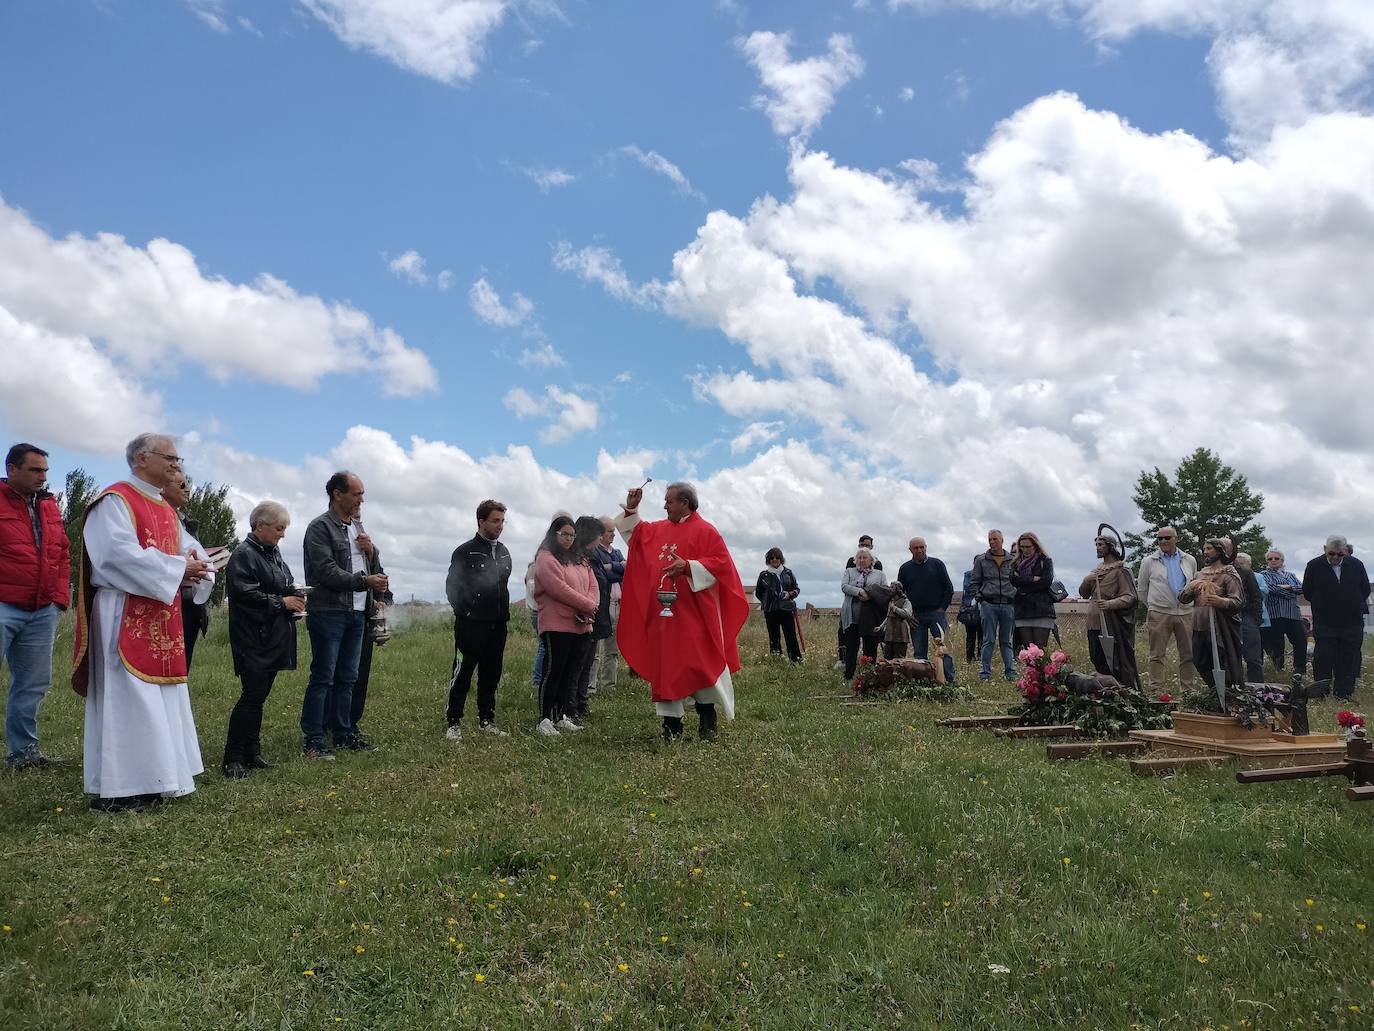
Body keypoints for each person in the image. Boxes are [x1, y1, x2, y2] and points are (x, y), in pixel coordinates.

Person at [71, 433, 214, 812]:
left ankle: (158, 779)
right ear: (140, 459)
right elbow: (115, 557)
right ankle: (120, 789)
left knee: (161, 699)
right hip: (123, 611)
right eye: (169, 458)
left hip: (161, 612)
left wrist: (192, 569)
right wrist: (178, 568)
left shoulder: (165, 508)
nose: (176, 465)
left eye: (177, 459)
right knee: (127, 699)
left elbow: (181, 552)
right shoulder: (115, 501)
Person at [615, 481, 748, 742]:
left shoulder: (706, 531)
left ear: (685, 503)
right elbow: (639, 537)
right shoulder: (660, 529)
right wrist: (632, 509)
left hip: (694, 616)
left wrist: (688, 567)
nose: (665, 505)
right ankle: (671, 725)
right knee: (667, 666)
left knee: (700, 664)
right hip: (664, 619)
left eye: (669, 501)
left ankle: (707, 717)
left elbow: (721, 565)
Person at [301, 471, 389, 760]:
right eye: (356, 493)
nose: (361, 499)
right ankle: (314, 740)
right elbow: (324, 571)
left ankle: (343, 732)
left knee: (349, 677)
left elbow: (371, 566)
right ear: (338, 494)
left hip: (357, 612)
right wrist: (365, 581)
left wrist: (372, 552)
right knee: (324, 676)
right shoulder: (320, 528)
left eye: (362, 494)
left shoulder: (358, 527)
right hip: (329, 612)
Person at [221, 501, 303, 778]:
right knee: (252, 696)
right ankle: (232, 758)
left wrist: (297, 593)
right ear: (260, 526)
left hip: (273, 636)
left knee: (259, 696)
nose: (282, 534)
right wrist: (282, 602)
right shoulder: (243, 554)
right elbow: (244, 595)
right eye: (279, 528)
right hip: (252, 638)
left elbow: (285, 580)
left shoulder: (273, 553)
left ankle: (252, 752)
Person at [1, 443, 70, 769]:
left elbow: (63, 553)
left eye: (44, 470)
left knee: (31, 685)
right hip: (4, 605)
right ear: (12, 469)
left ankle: (23, 755)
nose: (42, 476)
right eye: (35, 470)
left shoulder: (49, 506)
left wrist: (58, 599)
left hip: (41, 610)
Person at [445, 500, 514, 740]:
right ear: (481, 521)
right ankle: (453, 722)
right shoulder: (465, 551)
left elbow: (503, 586)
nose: (500, 526)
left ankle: (487, 720)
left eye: (503, 521)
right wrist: (466, 612)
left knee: (491, 674)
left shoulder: (505, 551)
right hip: (470, 626)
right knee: (463, 672)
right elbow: (452, 588)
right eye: (495, 521)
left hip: (498, 625)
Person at [532, 515, 599, 735]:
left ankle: (561, 715)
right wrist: (588, 605)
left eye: (572, 535)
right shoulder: (546, 557)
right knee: (554, 671)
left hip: (581, 623)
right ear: (554, 534)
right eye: (564, 534)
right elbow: (558, 588)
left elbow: (593, 584)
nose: (569, 539)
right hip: (557, 624)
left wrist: (590, 605)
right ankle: (544, 718)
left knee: (571, 672)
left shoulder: (579, 558)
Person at [1302, 535, 1370, 701]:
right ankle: (1320, 693)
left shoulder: (1356, 564)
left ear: (1345, 551)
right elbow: (1308, 591)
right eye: (1331, 553)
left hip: (1352, 621)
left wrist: (1352, 603)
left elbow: (1365, 588)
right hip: (1325, 621)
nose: (1335, 558)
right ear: (1325, 549)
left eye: (1340, 555)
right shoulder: (1314, 565)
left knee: (1349, 656)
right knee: (1323, 656)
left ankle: (1343, 694)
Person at [1179, 538, 1245, 693]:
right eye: (1204, 549)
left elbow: (1238, 601)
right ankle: (1214, 689)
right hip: (1198, 624)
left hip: (1219, 627)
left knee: (1221, 661)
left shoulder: (1228, 574)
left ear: (1219, 551)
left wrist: (1220, 601)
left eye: (1209, 548)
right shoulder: (1199, 574)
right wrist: (1190, 588)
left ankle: (1227, 693)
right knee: (1199, 660)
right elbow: (1183, 599)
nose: (1205, 552)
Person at [1078, 524, 1140, 689]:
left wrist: (1110, 604)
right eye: (1096, 545)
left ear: (1110, 547)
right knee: (1097, 657)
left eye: (1101, 544)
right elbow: (1084, 594)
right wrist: (1086, 581)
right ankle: (1103, 688)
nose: (1098, 548)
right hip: (1093, 620)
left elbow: (1131, 597)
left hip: (1112, 623)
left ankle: (1120, 688)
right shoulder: (1096, 571)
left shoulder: (1121, 571)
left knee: (1114, 659)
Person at [1136, 525, 1198, 689]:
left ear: (1176, 539)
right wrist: (1153, 606)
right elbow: (1142, 589)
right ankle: (1156, 690)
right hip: (1159, 612)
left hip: (1186, 612)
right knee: (1157, 654)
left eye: (1167, 538)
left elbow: (1193, 586)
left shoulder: (1189, 560)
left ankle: (1188, 690)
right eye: (1160, 538)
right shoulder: (1148, 561)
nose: (1163, 541)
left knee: (1188, 654)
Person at [162, 475, 211, 671]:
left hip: (191, 604)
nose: (188, 489)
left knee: (182, 668)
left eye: (189, 484)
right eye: (182, 484)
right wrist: (183, 566)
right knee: (166, 667)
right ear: (162, 486)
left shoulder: (186, 522)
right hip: (167, 601)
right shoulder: (155, 518)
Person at [897, 537, 956, 682]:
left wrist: (942, 609)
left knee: (943, 649)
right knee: (919, 652)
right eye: (916, 548)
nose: (919, 550)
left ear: (926, 547)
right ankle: (922, 681)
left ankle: (949, 679)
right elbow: (900, 594)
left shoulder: (937, 564)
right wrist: (908, 616)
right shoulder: (905, 569)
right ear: (910, 550)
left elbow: (948, 588)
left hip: (937, 614)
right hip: (916, 616)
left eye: (922, 547)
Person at [969, 530, 1017, 681]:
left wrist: (1015, 594)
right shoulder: (982, 560)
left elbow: (1019, 579)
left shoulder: (1013, 560)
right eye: (989, 539)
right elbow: (974, 582)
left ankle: (1010, 673)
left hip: (1008, 604)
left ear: (1002, 540)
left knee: (1006, 641)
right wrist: (981, 599)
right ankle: (985, 673)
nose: (991, 542)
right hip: (989, 604)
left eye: (995, 539)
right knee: (988, 639)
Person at [591, 517, 627, 690]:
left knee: (612, 649)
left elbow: (627, 571)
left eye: (614, 531)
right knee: (596, 649)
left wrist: (611, 567)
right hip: (602, 604)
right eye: (610, 531)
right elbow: (602, 577)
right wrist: (619, 567)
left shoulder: (617, 551)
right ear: (600, 533)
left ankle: (608, 685)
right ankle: (591, 685)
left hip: (618, 604)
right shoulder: (595, 552)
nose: (614, 534)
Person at [840, 547, 887, 680]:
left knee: (870, 647)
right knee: (851, 647)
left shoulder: (879, 574)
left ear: (871, 560)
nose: (861, 560)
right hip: (852, 617)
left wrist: (870, 595)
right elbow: (844, 586)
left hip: (871, 618)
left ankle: (869, 676)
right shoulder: (849, 571)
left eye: (864, 557)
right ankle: (848, 675)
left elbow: (884, 591)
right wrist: (860, 592)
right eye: (859, 558)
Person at [1260, 549, 1306, 677]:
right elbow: (1271, 588)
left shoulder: (1291, 575)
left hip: (1293, 613)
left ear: (1282, 560)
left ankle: (1300, 669)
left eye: (1276, 558)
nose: (1273, 561)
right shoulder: (1263, 574)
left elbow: (1302, 588)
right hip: (1275, 613)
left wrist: (1290, 587)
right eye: (1270, 559)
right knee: (1277, 643)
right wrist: (1291, 591)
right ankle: (1278, 668)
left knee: (1300, 641)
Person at [1009, 532, 1056, 649]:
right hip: (1023, 609)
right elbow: (1013, 580)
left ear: (1035, 545)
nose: (1025, 550)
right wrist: (1032, 579)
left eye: (1028, 547)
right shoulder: (1016, 562)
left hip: (1042, 609)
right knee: (1028, 651)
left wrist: (1023, 581)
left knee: (1040, 650)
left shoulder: (1045, 561)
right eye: (1022, 547)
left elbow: (1046, 582)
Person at [755, 547, 802, 663]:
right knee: (774, 637)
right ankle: (776, 660)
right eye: (771, 558)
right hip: (770, 611)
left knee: (791, 636)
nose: (774, 560)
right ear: (768, 560)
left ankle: (796, 660)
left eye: (777, 557)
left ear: (781, 559)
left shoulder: (788, 573)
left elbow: (797, 589)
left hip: (786, 609)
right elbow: (758, 593)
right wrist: (767, 601)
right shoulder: (763, 575)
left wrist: (789, 594)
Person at [1232, 552, 1267, 684]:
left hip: (1246, 617)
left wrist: (1255, 620)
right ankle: (1235, 687)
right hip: (1226, 619)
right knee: (1231, 657)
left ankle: (1258, 688)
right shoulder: (1217, 571)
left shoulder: (1246, 573)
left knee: (1253, 657)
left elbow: (1256, 596)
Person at [880, 581, 917, 660]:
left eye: (892, 587)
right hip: (889, 633)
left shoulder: (905, 601)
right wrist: (881, 626)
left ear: (898, 589)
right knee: (887, 658)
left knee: (899, 659)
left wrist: (895, 608)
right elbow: (888, 616)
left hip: (900, 633)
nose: (890, 589)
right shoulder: (891, 601)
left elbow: (907, 614)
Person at [958, 568, 982, 665]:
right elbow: (967, 587)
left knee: (983, 635)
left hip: (983, 609)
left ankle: (981, 657)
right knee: (970, 635)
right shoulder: (968, 574)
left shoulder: (987, 574)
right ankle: (969, 658)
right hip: (970, 611)